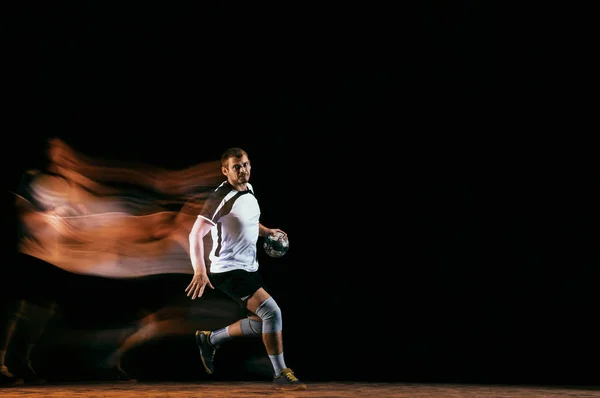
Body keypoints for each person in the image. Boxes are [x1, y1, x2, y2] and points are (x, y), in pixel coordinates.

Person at [185, 147, 306, 391]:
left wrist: (267, 231)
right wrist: (199, 270)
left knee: (264, 324)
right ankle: (281, 372)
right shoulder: (220, 197)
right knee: (273, 313)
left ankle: (210, 339)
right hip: (227, 270)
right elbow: (195, 234)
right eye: (237, 167)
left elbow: (249, 221)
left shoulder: (248, 189)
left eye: (246, 164)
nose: (243, 170)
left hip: (249, 268)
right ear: (225, 171)